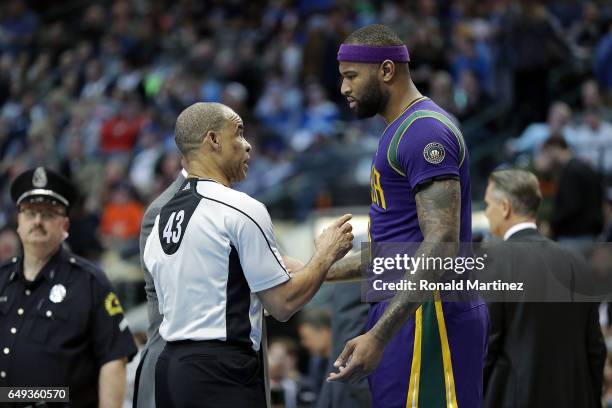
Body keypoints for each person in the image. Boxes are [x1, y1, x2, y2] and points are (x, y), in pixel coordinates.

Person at [143, 102, 354, 407]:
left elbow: (226, 284)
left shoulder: (162, 217)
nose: (248, 144)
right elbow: (282, 304)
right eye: (239, 133)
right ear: (213, 140)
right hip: (221, 371)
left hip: (170, 370)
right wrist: (325, 253)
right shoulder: (240, 207)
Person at [327, 24, 489, 408]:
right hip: (412, 311)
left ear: (386, 71)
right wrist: (318, 270)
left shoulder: (423, 132)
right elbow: (398, 254)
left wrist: (380, 335)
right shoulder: (400, 130)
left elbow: (441, 244)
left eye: (351, 76)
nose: (344, 89)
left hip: (429, 314)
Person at [0, 167, 137, 407]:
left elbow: (114, 359)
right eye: (30, 213)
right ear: (18, 222)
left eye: (49, 214)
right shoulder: (2, 278)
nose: (38, 221)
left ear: (64, 225)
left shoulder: (89, 281)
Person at [482, 169, 606, 407]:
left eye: (488, 205)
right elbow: (595, 350)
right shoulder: (576, 263)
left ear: (505, 207)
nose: (487, 213)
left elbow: (486, 346)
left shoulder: (494, 262)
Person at [132, 168, 185, 408]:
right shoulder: (166, 208)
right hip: (173, 370)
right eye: (237, 133)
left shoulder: (230, 205)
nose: (246, 144)